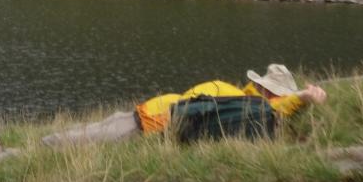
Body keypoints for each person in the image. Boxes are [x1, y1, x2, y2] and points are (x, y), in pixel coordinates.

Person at [41, 63, 327, 146]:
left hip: (144, 115)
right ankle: (10, 156)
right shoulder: (243, 103)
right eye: (276, 94)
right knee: (70, 141)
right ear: (268, 91)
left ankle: (13, 152)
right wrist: (303, 97)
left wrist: (301, 98)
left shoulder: (237, 97)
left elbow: (277, 109)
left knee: (76, 136)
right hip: (144, 122)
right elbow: (276, 109)